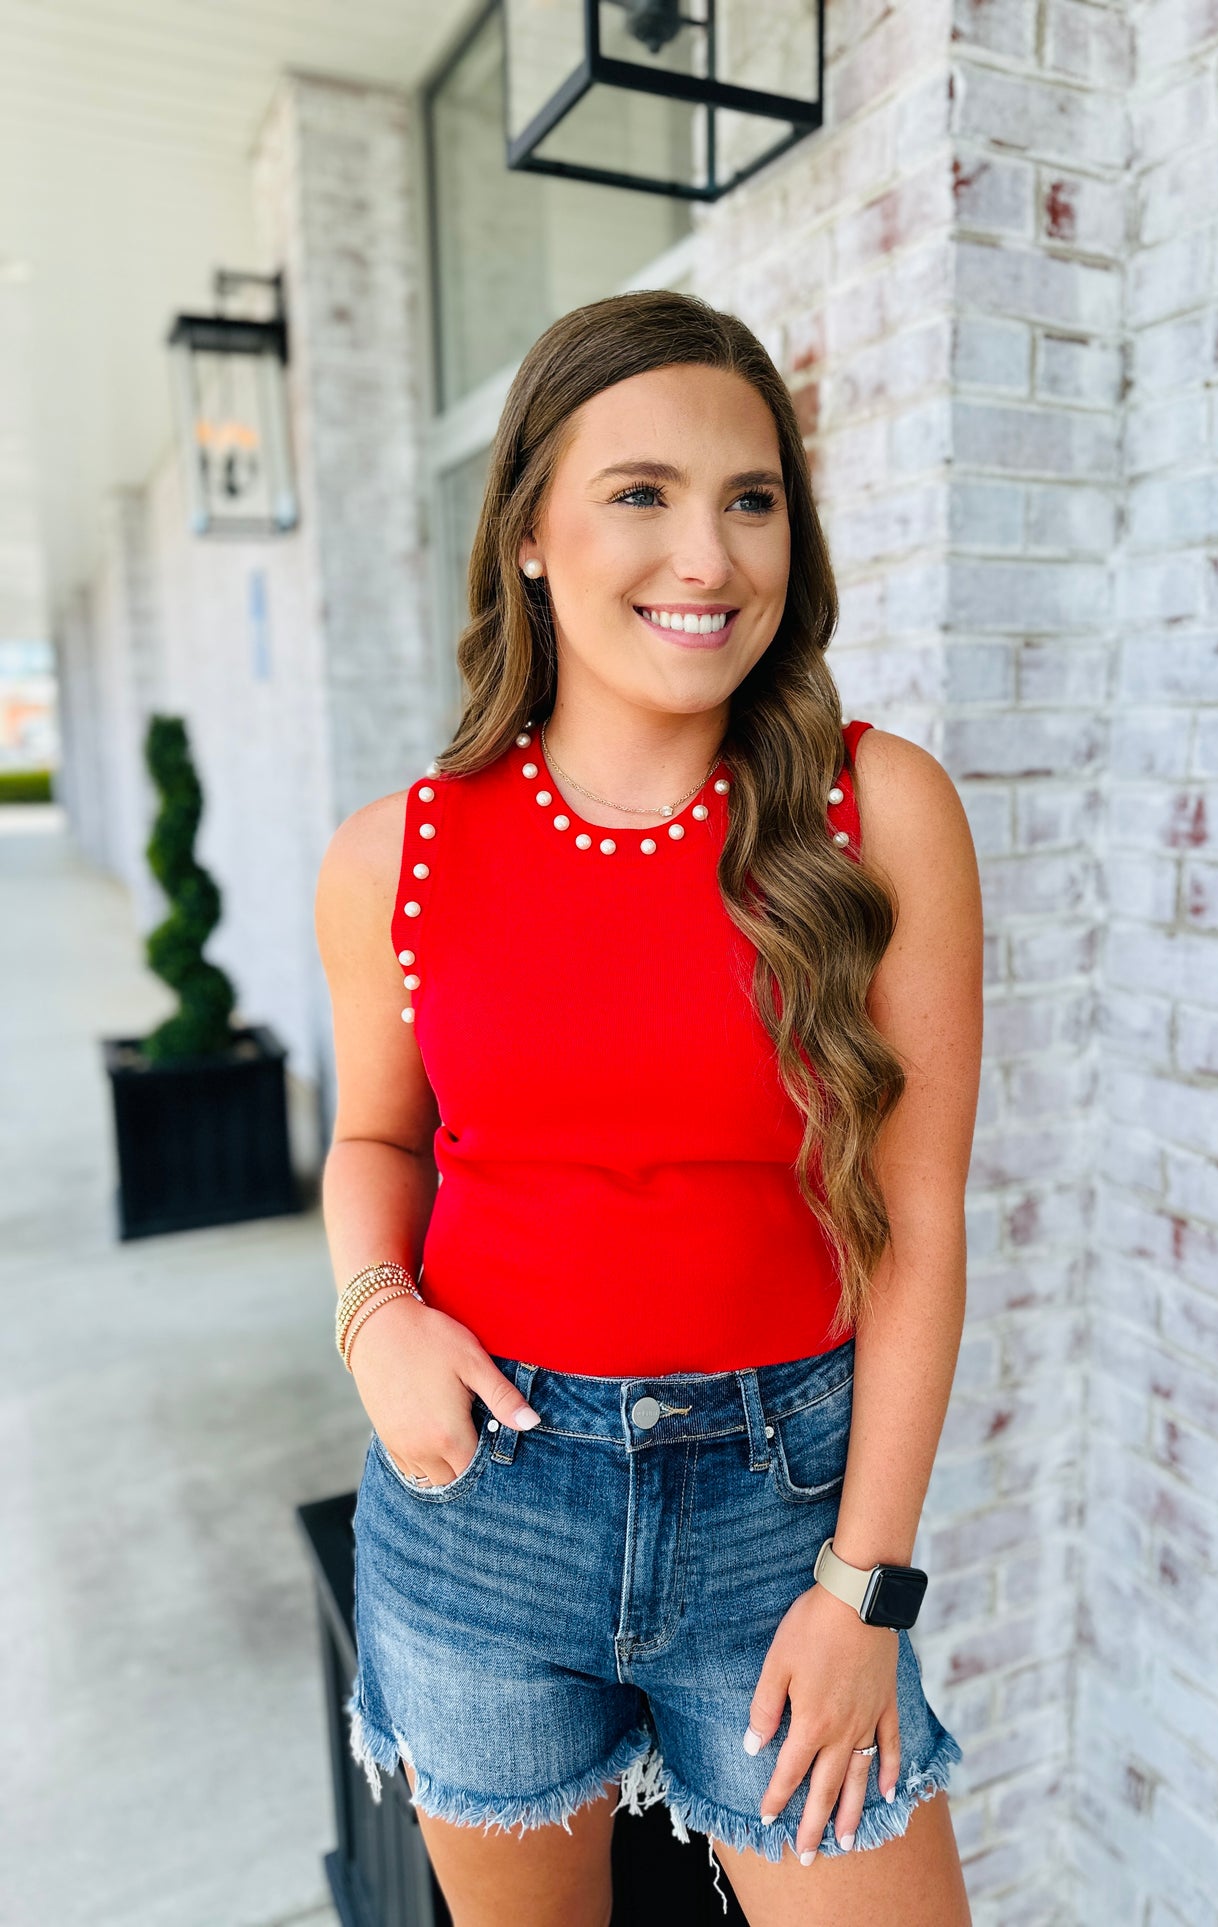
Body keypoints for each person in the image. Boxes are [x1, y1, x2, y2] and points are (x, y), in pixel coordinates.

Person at [314, 288, 982, 1927]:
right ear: (531, 531)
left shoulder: (875, 812)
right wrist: (373, 1315)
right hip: (482, 1512)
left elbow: (917, 1219)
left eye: (749, 500)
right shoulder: (397, 851)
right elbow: (376, 1144)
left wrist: (864, 1590)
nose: (709, 556)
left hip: (786, 1523)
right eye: (642, 495)